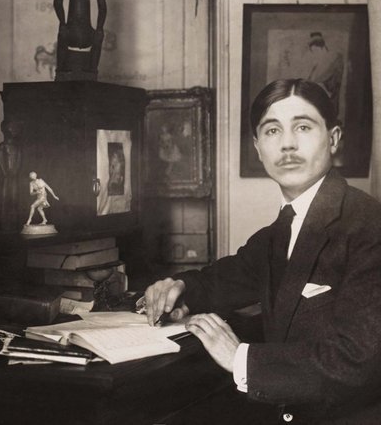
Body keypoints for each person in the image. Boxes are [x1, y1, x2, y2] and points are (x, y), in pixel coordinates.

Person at [144, 78, 381, 424]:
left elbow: (356, 361)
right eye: (272, 130)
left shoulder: (369, 225)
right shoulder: (277, 233)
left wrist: (240, 358)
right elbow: (222, 280)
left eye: (303, 126)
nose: (287, 144)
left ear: (333, 139)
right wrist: (178, 287)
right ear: (257, 147)